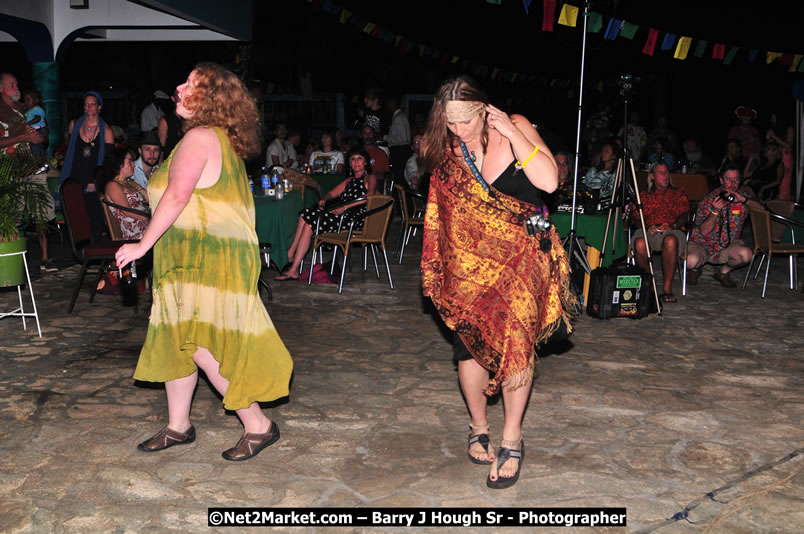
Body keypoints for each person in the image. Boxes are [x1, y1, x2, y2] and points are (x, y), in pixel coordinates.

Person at [115, 63, 292, 461]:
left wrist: (141, 247)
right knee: (178, 338)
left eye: (190, 84)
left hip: (203, 258)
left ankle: (258, 424)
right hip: (188, 255)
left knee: (203, 344)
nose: (178, 87)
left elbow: (177, 197)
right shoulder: (208, 138)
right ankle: (179, 425)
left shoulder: (199, 138)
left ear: (209, 98)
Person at [419, 76, 574, 489]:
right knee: (468, 350)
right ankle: (477, 426)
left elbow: (549, 181)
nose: (460, 132)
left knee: (516, 348)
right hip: (472, 270)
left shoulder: (515, 126)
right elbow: (445, 216)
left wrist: (510, 133)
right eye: (451, 125)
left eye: (466, 122)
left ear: (483, 109)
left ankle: (512, 437)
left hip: (522, 264)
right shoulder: (450, 152)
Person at [276, 146, 378, 281]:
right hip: (343, 215)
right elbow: (331, 193)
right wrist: (325, 198)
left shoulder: (370, 178)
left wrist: (345, 207)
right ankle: (292, 260)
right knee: (305, 216)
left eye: (359, 159)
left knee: (309, 223)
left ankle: (291, 260)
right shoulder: (349, 180)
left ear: (365, 162)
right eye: (353, 159)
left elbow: (369, 196)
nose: (356, 162)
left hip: (356, 218)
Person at [0, 72, 56, 272]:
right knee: (12, 217)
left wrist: (39, 137)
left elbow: (42, 132)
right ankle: (10, 260)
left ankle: (45, 258)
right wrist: (21, 136)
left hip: (33, 166)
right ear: (1, 89)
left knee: (41, 211)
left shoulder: (26, 109)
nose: (17, 88)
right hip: (11, 172)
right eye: (11, 85)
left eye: (16, 84)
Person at [686, 162, 762, 288]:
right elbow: (703, 232)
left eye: (736, 180)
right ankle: (695, 269)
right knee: (691, 261)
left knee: (746, 254)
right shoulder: (709, 199)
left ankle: (723, 272)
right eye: (728, 180)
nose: (732, 184)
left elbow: (764, 212)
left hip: (728, 245)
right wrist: (715, 211)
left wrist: (745, 201)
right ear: (721, 180)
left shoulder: (743, 197)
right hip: (703, 244)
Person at [60, 91, 115, 242]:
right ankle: (81, 251)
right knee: (77, 217)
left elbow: (107, 162)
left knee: (95, 216)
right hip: (75, 177)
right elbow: (71, 151)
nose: (89, 107)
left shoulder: (107, 131)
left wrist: (95, 181)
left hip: (94, 181)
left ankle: (95, 248)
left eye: (92, 104)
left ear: (99, 107)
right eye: (86, 104)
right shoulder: (74, 125)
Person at [631, 162, 689, 303]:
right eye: (661, 172)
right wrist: (646, 226)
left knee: (670, 241)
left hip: (672, 230)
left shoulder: (677, 193)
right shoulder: (644, 195)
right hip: (649, 230)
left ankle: (667, 288)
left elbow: (685, 214)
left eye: (666, 172)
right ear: (652, 176)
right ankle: (650, 284)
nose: (665, 175)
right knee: (639, 243)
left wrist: (673, 226)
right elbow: (635, 217)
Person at [99, 148, 149, 240]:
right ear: (119, 164)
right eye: (130, 161)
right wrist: (150, 218)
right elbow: (127, 211)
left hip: (144, 224)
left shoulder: (130, 183)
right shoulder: (112, 185)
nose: (133, 165)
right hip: (134, 229)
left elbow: (149, 199)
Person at [383, 94, 412, 179]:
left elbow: (401, 139)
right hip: (400, 150)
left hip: (400, 151)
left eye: (388, 104)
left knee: (399, 175)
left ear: (392, 104)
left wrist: (384, 138)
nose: (387, 107)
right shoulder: (399, 116)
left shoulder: (399, 117)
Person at [23, 88, 48, 157]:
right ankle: (39, 158)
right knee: (36, 146)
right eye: (25, 100)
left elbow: (38, 118)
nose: (26, 102)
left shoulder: (37, 109)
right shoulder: (30, 110)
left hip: (40, 129)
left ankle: (38, 159)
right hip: (35, 129)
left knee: (35, 145)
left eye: (28, 100)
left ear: (36, 100)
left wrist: (27, 124)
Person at [157, 91, 182, 158]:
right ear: (173, 98)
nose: (181, 98)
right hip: (170, 162)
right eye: (178, 96)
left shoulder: (192, 119)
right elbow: (161, 147)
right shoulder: (165, 120)